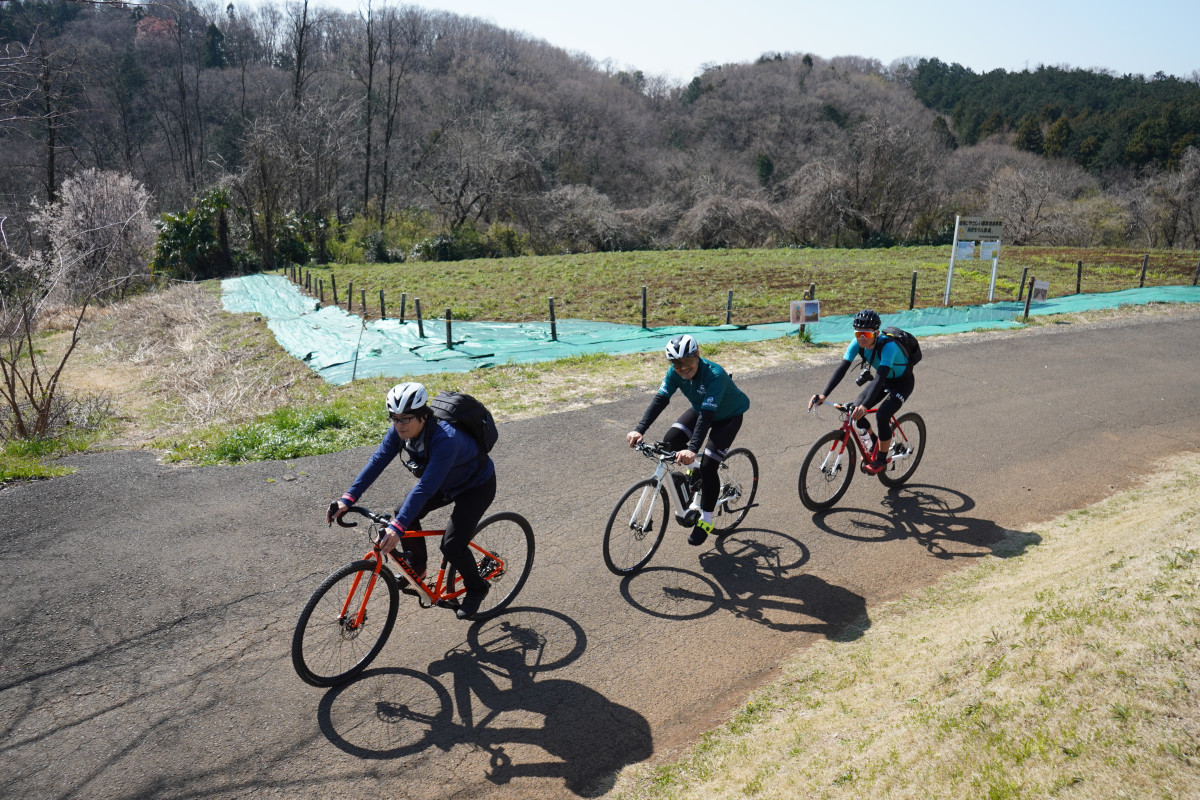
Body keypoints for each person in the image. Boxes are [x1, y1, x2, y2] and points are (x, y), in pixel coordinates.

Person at [327, 382, 497, 619]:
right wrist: (348, 498)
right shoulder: (399, 432)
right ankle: (418, 567)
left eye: (405, 419)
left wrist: (397, 529)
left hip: (475, 486)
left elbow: (426, 487)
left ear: (423, 416)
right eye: (394, 418)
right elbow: (377, 462)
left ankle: (478, 588)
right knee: (403, 513)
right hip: (445, 483)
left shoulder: (446, 439)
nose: (399, 425)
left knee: (451, 545)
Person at [626, 334, 750, 546]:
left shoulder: (715, 375)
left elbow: (707, 416)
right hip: (701, 409)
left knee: (710, 466)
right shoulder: (675, 373)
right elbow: (660, 400)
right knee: (670, 443)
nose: (683, 368)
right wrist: (639, 430)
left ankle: (706, 520)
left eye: (687, 361)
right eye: (676, 363)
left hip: (728, 417)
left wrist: (693, 448)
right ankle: (695, 471)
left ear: (698, 355)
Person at [807, 309, 914, 473]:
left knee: (882, 415)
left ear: (876, 333)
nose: (862, 339)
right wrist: (824, 394)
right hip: (884, 380)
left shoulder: (889, 347)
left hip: (902, 383)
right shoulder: (856, 343)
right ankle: (873, 443)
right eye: (859, 335)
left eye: (867, 335)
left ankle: (881, 460)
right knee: (853, 412)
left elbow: (879, 378)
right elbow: (842, 369)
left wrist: (864, 406)